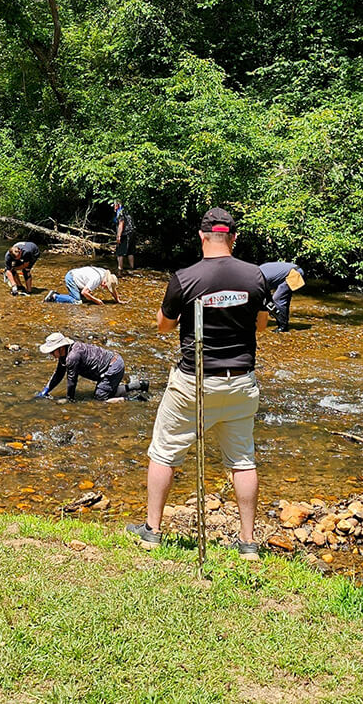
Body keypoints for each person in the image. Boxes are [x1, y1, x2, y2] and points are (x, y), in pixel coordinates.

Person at [126, 207, 269, 559]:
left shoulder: (185, 278)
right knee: (242, 460)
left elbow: (163, 326)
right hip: (239, 381)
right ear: (233, 238)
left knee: (165, 452)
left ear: (202, 237)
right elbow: (262, 325)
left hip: (194, 382)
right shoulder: (255, 277)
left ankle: (152, 531)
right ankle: (248, 542)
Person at [35, 332, 149, 402]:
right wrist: (45, 390)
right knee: (107, 391)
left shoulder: (72, 357)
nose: (50, 355)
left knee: (100, 398)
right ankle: (140, 385)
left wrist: (70, 401)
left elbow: (72, 382)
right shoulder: (65, 354)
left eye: (51, 352)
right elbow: (58, 374)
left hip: (113, 367)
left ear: (61, 348)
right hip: (114, 362)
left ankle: (135, 399)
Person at [258, 261, 305, 332]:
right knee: (277, 300)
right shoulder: (257, 274)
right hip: (290, 272)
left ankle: (283, 326)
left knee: (277, 299)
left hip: (294, 273)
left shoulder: (258, 278)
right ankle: (282, 320)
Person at [43, 266, 122, 305]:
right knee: (77, 301)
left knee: (85, 298)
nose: (105, 288)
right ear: (105, 282)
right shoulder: (96, 279)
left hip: (77, 276)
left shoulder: (104, 273)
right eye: (106, 286)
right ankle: (54, 296)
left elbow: (113, 290)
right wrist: (96, 300)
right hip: (72, 278)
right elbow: (84, 292)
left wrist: (117, 300)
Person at [114, 201, 136, 275]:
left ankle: (120, 268)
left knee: (119, 252)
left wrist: (118, 236)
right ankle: (132, 268)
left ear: (117, 205)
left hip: (125, 234)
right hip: (132, 233)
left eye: (114, 205)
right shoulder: (128, 210)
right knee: (130, 251)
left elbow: (121, 224)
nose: (114, 207)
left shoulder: (120, 212)